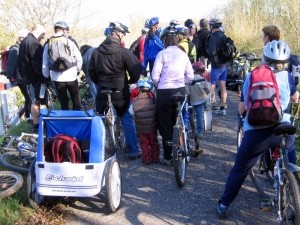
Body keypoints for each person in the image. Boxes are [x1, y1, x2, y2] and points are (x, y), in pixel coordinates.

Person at [217, 40, 298, 219]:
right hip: (283, 128)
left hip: (257, 131)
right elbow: (294, 98)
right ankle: (295, 193)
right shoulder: (289, 77)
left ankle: (224, 205)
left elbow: (242, 108)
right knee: (292, 167)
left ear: (264, 58)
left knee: (240, 169)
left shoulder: (253, 75)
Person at [88, 21, 141, 160]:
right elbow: (136, 68)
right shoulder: (123, 52)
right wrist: (131, 81)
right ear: (118, 34)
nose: (123, 36)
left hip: (102, 91)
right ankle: (133, 150)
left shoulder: (96, 52)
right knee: (126, 118)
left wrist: (99, 83)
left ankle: (102, 151)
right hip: (120, 91)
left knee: (101, 119)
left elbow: (90, 72)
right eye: (123, 34)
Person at [151, 26, 194, 166]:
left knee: (165, 125)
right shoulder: (183, 54)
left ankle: (168, 156)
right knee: (181, 118)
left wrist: (159, 85)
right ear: (176, 41)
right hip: (180, 91)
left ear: (165, 41)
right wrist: (183, 82)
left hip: (165, 92)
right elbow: (190, 76)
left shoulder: (162, 54)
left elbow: (154, 76)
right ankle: (183, 144)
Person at [42, 21, 83, 110]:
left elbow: (45, 62)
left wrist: (47, 75)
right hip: (71, 75)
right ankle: (78, 121)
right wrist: (77, 71)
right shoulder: (69, 41)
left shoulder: (48, 43)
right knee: (76, 100)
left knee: (63, 102)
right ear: (64, 30)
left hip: (57, 78)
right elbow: (79, 58)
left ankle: (66, 122)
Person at [18, 24, 46, 132]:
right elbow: (36, 63)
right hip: (35, 77)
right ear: (38, 32)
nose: (43, 37)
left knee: (34, 100)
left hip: (27, 76)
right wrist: (44, 76)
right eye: (43, 34)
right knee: (37, 101)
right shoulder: (34, 43)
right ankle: (37, 125)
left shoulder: (24, 41)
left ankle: (37, 123)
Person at [6, 28, 32, 122]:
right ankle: (28, 117)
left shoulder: (20, 48)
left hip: (23, 76)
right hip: (19, 78)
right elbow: (10, 65)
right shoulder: (15, 49)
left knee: (29, 97)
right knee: (28, 96)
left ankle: (29, 116)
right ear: (21, 38)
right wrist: (11, 78)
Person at [131, 78, 159, 165]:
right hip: (152, 127)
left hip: (141, 129)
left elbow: (131, 113)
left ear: (138, 89)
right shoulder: (153, 100)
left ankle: (147, 160)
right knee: (154, 143)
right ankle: (155, 159)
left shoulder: (134, 101)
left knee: (144, 144)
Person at [207, 18, 230, 116]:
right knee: (223, 86)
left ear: (212, 26)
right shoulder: (223, 35)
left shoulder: (213, 37)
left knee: (211, 85)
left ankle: (208, 106)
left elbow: (211, 51)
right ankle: (223, 107)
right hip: (225, 64)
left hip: (216, 65)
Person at [189, 62, 211, 140]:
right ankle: (200, 132)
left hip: (192, 101)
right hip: (201, 100)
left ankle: (190, 130)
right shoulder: (202, 79)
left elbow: (187, 91)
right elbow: (208, 90)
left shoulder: (189, 79)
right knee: (199, 117)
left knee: (190, 116)